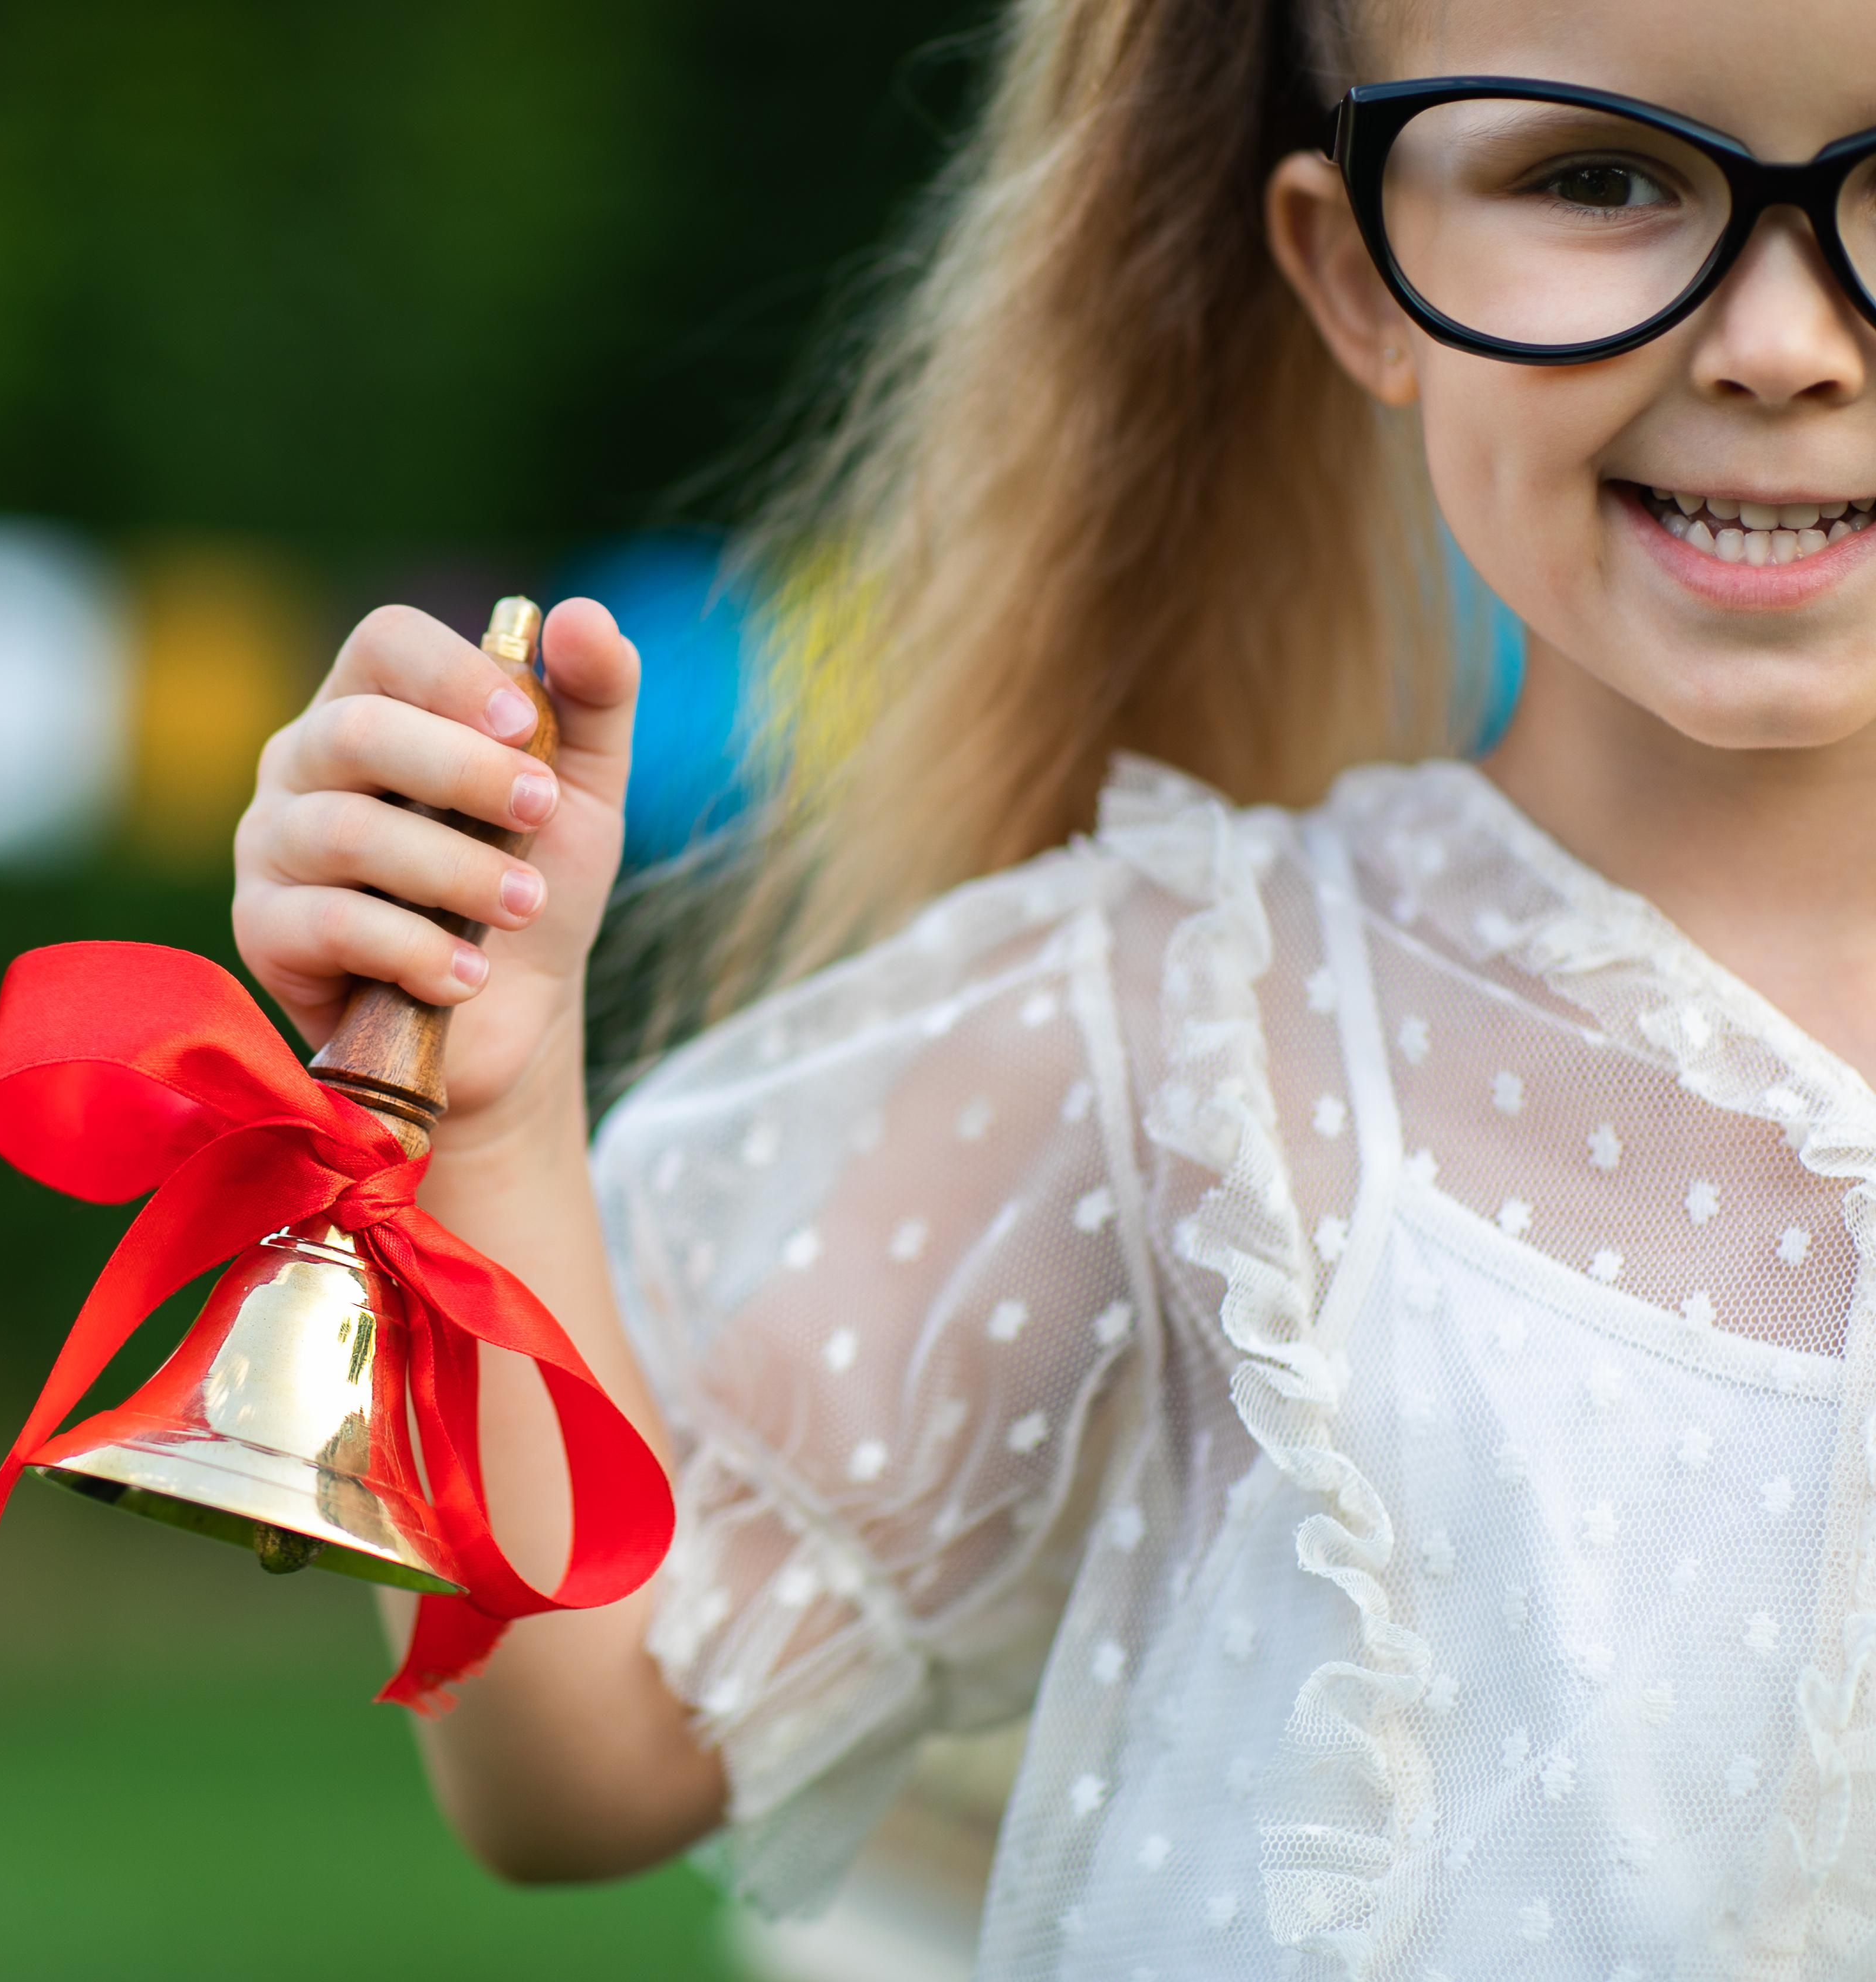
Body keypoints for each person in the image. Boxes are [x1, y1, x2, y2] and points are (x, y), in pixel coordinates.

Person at [230, 0, 1876, 1972]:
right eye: (1599, 176)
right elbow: (587, 1759)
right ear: (1360, 277)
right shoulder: (1200, 1031)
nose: (1781, 344)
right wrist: (478, 1121)